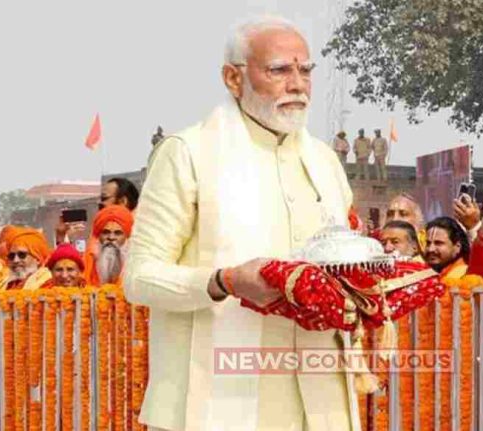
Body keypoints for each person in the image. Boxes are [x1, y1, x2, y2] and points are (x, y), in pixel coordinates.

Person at [124, 16, 357, 430]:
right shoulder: (189, 153)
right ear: (233, 78)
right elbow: (139, 278)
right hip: (215, 399)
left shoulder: (324, 161)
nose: (298, 84)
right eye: (279, 70)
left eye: (305, 70)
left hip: (319, 403)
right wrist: (223, 281)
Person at [84, 205, 133, 287]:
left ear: (126, 236)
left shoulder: (136, 268)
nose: (111, 238)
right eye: (105, 232)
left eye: (118, 233)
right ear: (98, 236)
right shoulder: (86, 264)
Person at [424, 216, 469, 283]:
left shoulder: (464, 276)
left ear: (457, 246)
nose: (430, 249)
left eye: (438, 243)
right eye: (428, 243)